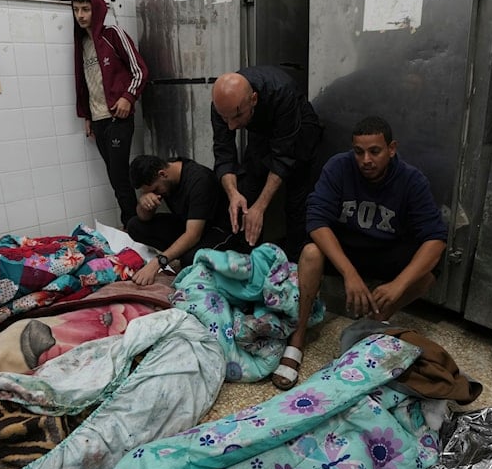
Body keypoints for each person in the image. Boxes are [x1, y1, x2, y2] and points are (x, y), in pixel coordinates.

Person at [272, 115, 448, 390]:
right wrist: (349, 274)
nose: (366, 159)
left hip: (387, 251)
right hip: (347, 249)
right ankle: (299, 335)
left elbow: (436, 239)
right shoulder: (339, 167)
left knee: (430, 270)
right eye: (359, 151)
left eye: (374, 151)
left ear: (392, 149)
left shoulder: (412, 180)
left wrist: (397, 286)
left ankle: (374, 322)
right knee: (310, 252)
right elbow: (316, 221)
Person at [211, 66, 322, 261]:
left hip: (299, 132)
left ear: (253, 99)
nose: (231, 126)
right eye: (224, 118)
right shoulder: (224, 105)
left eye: (237, 116)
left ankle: (294, 268)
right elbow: (224, 153)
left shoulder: (282, 92)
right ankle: (248, 264)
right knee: (246, 197)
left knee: (297, 205)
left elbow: (284, 158)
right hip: (260, 132)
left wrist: (260, 208)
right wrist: (233, 194)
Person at [72, 0, 148, 226]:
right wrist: (87, 115)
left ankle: (133, 225)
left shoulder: (112, 34)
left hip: (118, 117)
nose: (81, 15)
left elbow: (140, 70)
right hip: (98, 119)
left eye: (86, 9)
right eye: (76, 10)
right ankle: (134, 224)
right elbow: (85, 82)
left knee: (119, 177)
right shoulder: (82, 43)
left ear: (97, 9)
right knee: (115, 178)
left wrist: (128, 97)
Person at [126, 154, 241, 285]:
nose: (156, 194)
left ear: (162, 174)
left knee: (189, 260)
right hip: (188, 223)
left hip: (218, 231)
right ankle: (179, 251)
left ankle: (182, 253)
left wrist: (158, 262)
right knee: (135, 225)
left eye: (156, 190)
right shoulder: (166, 174)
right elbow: (144, 217)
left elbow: (193, 235)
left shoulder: (200, 180)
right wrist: (144, 203)